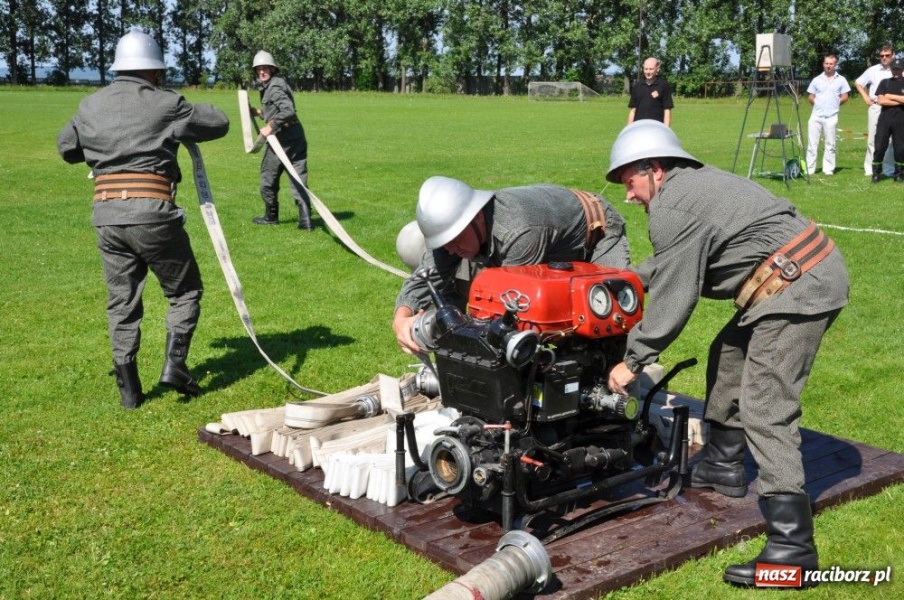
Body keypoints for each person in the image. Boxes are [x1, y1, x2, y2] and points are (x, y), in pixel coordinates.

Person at [604, 120, 849, 587]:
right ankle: (723, 463)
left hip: (798, 286)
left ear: (655, 169)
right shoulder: (690, 187)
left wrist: (630, 359)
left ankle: (793, 551)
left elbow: (676, 298)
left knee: (766, 408)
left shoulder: (672, 207)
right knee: (729, 354)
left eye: (629, 181)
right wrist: (619, 280)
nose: (628, 195)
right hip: (795, 274)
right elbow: (673, 260)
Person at [56, 31, 230, 408]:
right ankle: (175, 365)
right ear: (154, 71)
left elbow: (67, 149)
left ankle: (130, 392)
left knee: (122, 302)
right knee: (184, 291)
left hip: (106, 215)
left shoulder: (90, 104)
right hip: (153, 213)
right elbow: (218, 123)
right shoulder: (166, 103)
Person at [393, 177, 631, 354]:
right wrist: (401, 319)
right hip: (550, 232)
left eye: (454, 241)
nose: (450, 250)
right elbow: (425, 277)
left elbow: (510, 309)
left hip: (598, 232)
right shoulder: (454, 233)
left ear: (475, 217)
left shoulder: (519, 231)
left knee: (606, 323)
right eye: (444, 244)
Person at [248, 50, 312, 229]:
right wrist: (260, 113)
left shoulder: (274, 87)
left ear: (272, 69)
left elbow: (288, 111)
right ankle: (306, 221)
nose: (262, 72)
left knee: (268, 178)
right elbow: (277, 111)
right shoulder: (274, 84)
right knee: (299, 179)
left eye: (265, 68)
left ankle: (271, 217)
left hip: (282, 141)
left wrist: (270, 127)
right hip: (296, 136)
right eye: (259, 69)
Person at [805, 54, 850, 176]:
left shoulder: (841, 80)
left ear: (835, 65)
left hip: (832, 116)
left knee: (830, 144)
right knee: (812, 144)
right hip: (816, 116)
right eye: (826, 63)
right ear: (823, 64)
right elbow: (810, 96)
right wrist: (818, 104)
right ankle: (810, 169)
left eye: (831, 64)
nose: (828, 66)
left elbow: (845, 96)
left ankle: (828, 169)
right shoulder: (816, 79)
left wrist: (836, 104)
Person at [855, 46, 895, 177]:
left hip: (893, 108)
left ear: (893, 55)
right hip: (876, 107)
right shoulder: (872, 70)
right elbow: (858, 83)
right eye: (882, 55)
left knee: (890, 140)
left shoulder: (899, 70)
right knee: (872, 138)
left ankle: (888, 169)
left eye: (887, 55)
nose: (884, 58)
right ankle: (870, 168)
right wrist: (866, 97)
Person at [871, 58, 904, 183]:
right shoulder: (884, 82)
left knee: (900, 148)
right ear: (891, 69)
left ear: (903, 69)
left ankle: (899, 174)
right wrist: (900, 100)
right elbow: (881, 101)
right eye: (894, 68)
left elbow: (886, 98)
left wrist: (890, 96)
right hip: (885, 118)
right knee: (879, 146)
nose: (896, 71)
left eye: (899, 68)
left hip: (901, 119)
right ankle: (876, 173)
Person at [627, 57, 673, 126]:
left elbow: (667, 111)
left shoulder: (663, 86)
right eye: (646, 69)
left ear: (657, 69)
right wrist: (629, 129)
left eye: (651, 69)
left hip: (657, 129)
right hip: (638, 128)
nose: (648, 72)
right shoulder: (637, 86)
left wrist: (666, 130)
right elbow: (633, 110)